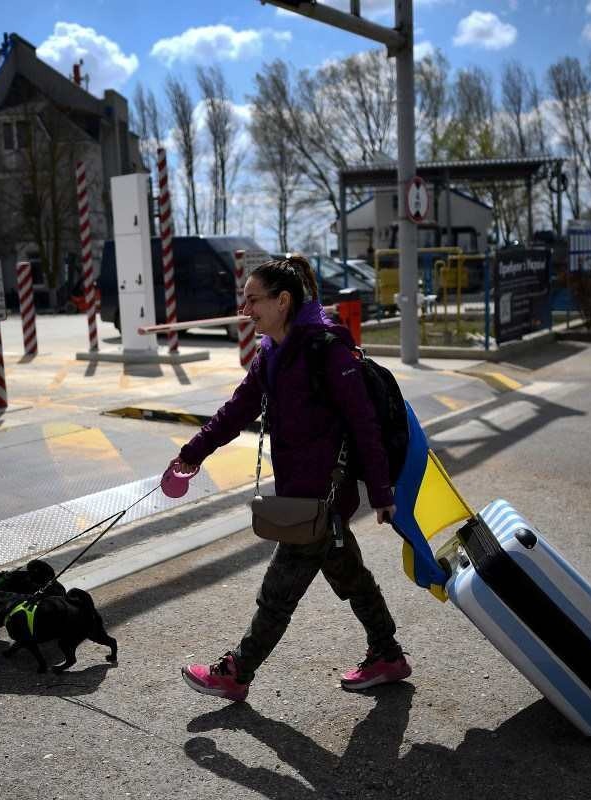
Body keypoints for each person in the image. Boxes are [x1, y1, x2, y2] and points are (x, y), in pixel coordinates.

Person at [172, 255, 411, 703]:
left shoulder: (328, 350)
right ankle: (388, 654)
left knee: (278, 591)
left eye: (253, 300)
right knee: (351, 576)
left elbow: (364, 424)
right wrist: (193, 453)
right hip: (303, 493)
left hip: (321, 496)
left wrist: (381, 492)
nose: (246, 310)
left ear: (283, 301)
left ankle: (237, 672)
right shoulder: (271, 356)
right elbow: (236, 411)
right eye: (243, 301)